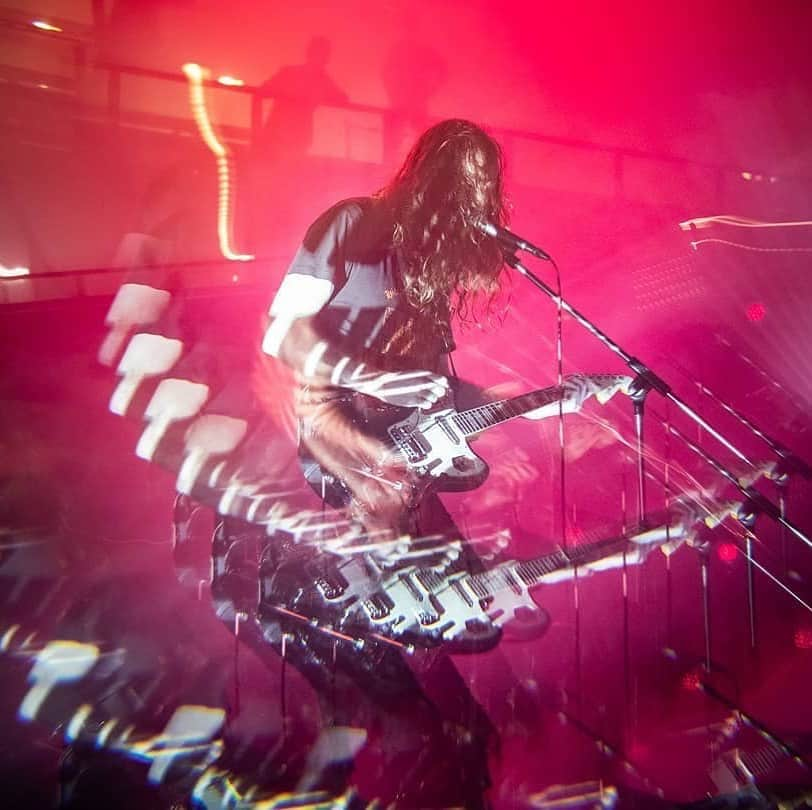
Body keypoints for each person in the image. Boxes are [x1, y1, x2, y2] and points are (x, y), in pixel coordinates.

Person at [258, 118, 511, 807]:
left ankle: (463, 756)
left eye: (488, 187)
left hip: (395, 469)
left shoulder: (428, 273)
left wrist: (509, 406)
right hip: (331, 442)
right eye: (467, 180)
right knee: (403, 622)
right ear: (427, 174)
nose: (479, 199)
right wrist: (374, 380)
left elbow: (425, 385)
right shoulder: (353, 225)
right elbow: (280, 332)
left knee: (458, 613)